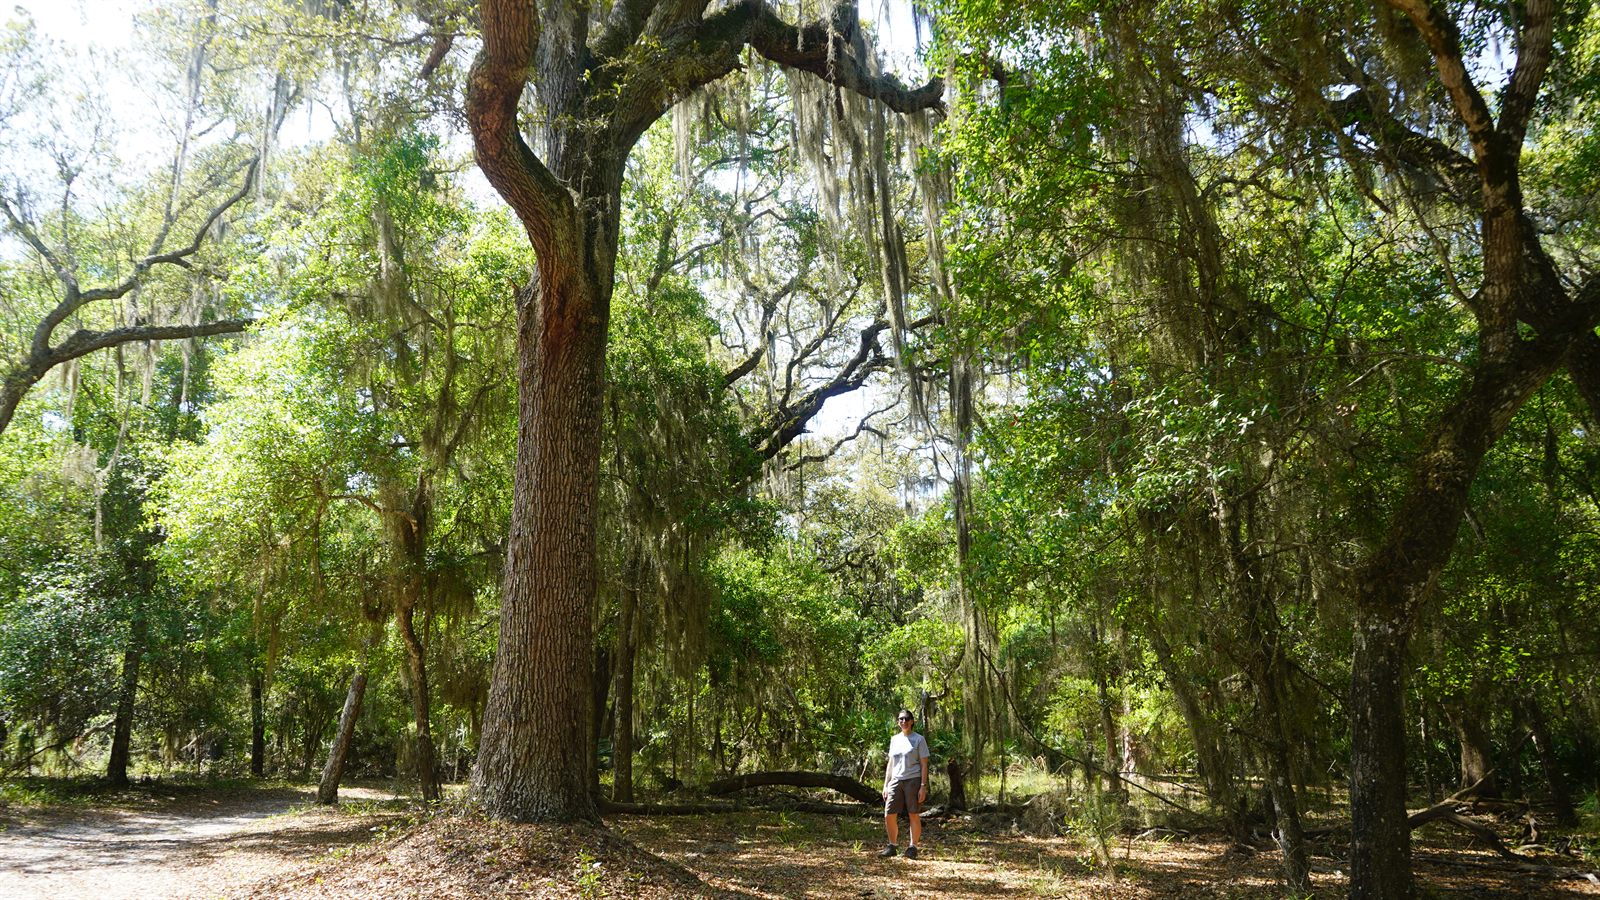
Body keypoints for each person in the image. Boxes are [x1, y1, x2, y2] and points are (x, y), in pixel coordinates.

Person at [879, 708, 929, 859]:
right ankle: (892, 845)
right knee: (889, 814)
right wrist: (886, 784)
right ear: (898, 722)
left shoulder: (919, 739)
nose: (904, 721)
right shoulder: (895, 739)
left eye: (907, 719)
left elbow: (924, 765)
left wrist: (923, 786)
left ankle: (913, 847)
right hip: (896, 780)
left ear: (912, 721)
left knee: (913, 813)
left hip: (913, 780)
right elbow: (890, 763)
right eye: (901, 719)